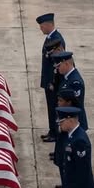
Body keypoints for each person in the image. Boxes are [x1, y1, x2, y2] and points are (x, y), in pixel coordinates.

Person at [54, 89, 80, 188]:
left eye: (61, 100)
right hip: (64, 158)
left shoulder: (75, 133)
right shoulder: (64, 116)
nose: (58, 103)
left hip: (69, 163)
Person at [36, 13, 65, 142]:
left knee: (54, 108)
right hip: (49, 81)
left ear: (48, 25)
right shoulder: (50, 38)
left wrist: (53, 82)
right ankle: (52, 130)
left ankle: (54, 133)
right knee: (50, 107)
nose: (40, 29)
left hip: (53, 82)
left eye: (42, 26)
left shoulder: (57, 40)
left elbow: (58, 63)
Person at [51, 51, 88, 130]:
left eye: (59, 65)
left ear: (66, 64)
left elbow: (75, 104)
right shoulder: (66, 77)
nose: (57, 68)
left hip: (74, 124)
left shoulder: (75, 82)